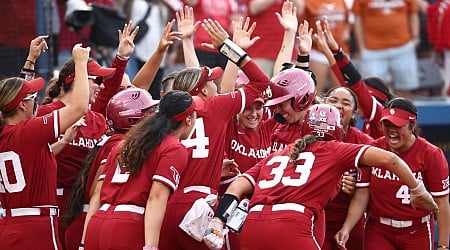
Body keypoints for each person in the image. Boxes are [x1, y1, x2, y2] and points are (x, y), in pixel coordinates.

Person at [203, 103, 439, 250]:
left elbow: (239, 185)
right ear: (336, 129)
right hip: (291, 225)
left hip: (252, 227)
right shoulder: (335, 149)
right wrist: (418, 190)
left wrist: (218, 219)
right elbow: (391, 159)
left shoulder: (280, 153)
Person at [158, 18, 270, 250]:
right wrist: (230, 48)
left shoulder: (163, 115)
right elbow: (261, 81)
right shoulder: (215, 106)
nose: (216, 84)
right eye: (211, 81)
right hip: (200, 205)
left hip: (165, 204)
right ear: (203, 89)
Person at [84, 90, 202, 250]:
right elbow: (156, 196)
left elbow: (97, 194)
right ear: (188, 120)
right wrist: (151, 246)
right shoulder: (174, 147)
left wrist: (83, 241)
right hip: (128, 227)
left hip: (97, 224)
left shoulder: (125, 143)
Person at [0, 44, 90, 249]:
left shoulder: (7, 132)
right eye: (33, 98)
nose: (37, 102)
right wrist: (81, 63)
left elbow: (15, 96)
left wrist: (31, 60)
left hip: (8, 225)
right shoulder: (28, 131)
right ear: (22, 105)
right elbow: (79, 107)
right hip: (36, 228)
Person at [336, 97, 449, 250]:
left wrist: (443, 245)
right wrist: (346, 228)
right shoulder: (373, 149)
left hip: (416, 230)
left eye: (398, 125)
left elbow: (441, 202)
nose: (391, 130)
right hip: (378, 229)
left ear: (412, 126)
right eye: (386, 124)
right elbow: (362, 194)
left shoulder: (431, 154)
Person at [63, 88, 159, 250]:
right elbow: (97, 192)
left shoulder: (117, 140)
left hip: (93, 221)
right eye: (148, 112)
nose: (154, 116)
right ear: (131, 118)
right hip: (90, 222)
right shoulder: (118, 144)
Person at [314, 18, 394, 139]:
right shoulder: (369, 121)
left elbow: (355, 84)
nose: (357, 103)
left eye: (361, 99)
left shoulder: (380, 117)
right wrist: (326, 51)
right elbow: (346, 85)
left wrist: (337, 51)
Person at [322, 86, 373, 250]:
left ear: (354, 113)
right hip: (316, 216)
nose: (338, 106)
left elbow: (375, 186)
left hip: (351, 217)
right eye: (333, 100)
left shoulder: (366, 143)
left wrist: (357, 184)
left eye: (346, 103)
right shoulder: (309, 136)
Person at [352, 0, 420, 99]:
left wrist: (415, 38)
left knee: (405, 90)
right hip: (372, 50)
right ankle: (379, 114)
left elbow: (413, 13)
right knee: (373, 92)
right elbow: (358, 19)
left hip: (403, 47)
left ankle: (406, 114)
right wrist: (361, 47)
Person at [244, 0, 305, 76]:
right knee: (259, 86)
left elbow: (300, 9)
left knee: (285, 86)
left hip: (288, 51)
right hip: (260, 51)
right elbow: (254, 8)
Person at [302, 0, 351, 93]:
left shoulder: (342, 1)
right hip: (318, 52)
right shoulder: (308, 2)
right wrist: (313, 37)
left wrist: (346, 31)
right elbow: (301, 25)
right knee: (316, 91)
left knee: (342, 91)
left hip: (339, 51)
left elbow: (348, 20)